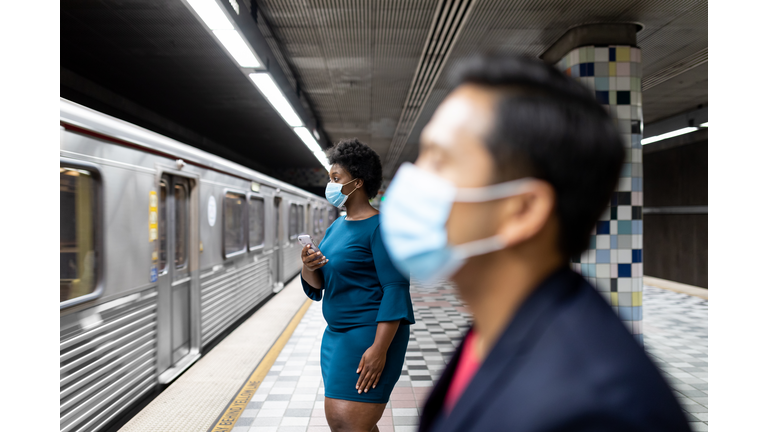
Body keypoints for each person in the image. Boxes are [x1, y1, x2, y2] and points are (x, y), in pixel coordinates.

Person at [380, 55, 691, 432]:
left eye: (439, 159)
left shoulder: (598, 412)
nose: (411, 179)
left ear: (522, 211)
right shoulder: (499, 327)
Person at [300, 138, 415, 432]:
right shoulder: (336, 226)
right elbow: (320, 284)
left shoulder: (383, 228)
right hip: (335, 337)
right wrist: (308, 264)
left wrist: (379, 349)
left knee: (347, 424)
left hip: (369, 336)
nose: (331, 185)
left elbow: (395, 290)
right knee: (350, 425)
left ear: (358, 183)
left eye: (336, 179)